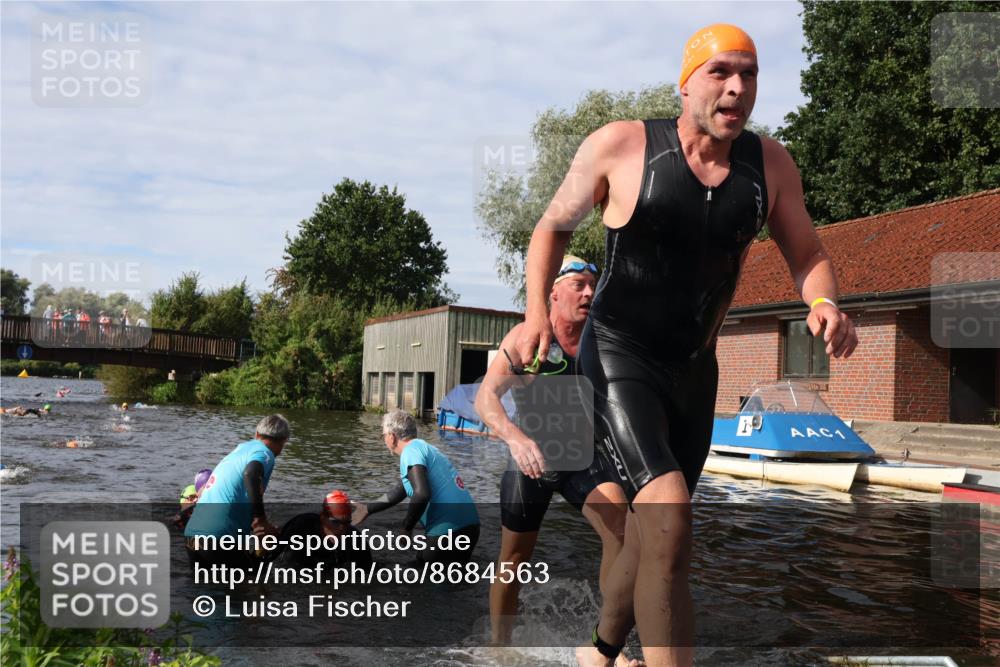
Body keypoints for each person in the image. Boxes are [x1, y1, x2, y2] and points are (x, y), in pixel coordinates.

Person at [515, 24, 859, 667]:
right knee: (669, 518)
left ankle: (601, 652)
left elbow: (807, 252)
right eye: (721, 72)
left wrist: (823, 301)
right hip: (618, 355)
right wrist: (537, 312)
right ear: (686, 81)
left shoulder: (771, 164)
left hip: (694, 371)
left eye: (750, 74)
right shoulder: (622, 145)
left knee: (652, 542)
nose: (737, 87)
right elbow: (550, 229)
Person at [475, 255, 630, 651]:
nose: (589, 293)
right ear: (554, 292)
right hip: (532, 462)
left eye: (592, 286)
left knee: (623, 533)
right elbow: (486, 398)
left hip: (582, 459)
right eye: (579, 285)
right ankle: (499, 650)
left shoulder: (604, 339)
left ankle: (605, 645)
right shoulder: (528, 338)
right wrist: (514, 438)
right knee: (513, 560)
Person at [353, 410, 479, 564]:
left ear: (392, 437)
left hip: (448, 531)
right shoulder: (426, 448)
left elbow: (421, 494)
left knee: (420, 580)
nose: (384, 440)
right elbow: (401, 490)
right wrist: (367, 508)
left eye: (383, 436)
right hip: (470, 526)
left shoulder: (410, 452)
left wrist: (406, 528)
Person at [184, 415, 290, 567]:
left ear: (257, 434)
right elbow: (251, 473)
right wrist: (260, 519)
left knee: (205, 587)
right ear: (283, 442)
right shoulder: (265, 453)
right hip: (219, 538)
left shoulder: (240, 450)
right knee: (251, 585)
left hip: (192, 536)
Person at [271, 490, 373, 568]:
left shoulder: (356, 540)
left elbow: (368, 573)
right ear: (323, 518)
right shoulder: (301, 527)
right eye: (336, 522)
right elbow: (266, 558)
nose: (342, 528)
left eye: (347, 522)